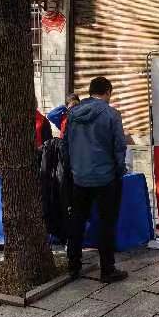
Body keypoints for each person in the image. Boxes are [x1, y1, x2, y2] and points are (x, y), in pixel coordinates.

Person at [61, 77, 128, 284]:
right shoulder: (112, 114)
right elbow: (119, 147)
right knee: (106, 223)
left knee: (77, 221)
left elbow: (65, 145)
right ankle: (107, 269)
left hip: (79, 177)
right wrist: (119, 170)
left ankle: (73, 265)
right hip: (106, 177)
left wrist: (72, 169)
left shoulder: (73, 114)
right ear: (107, 91)